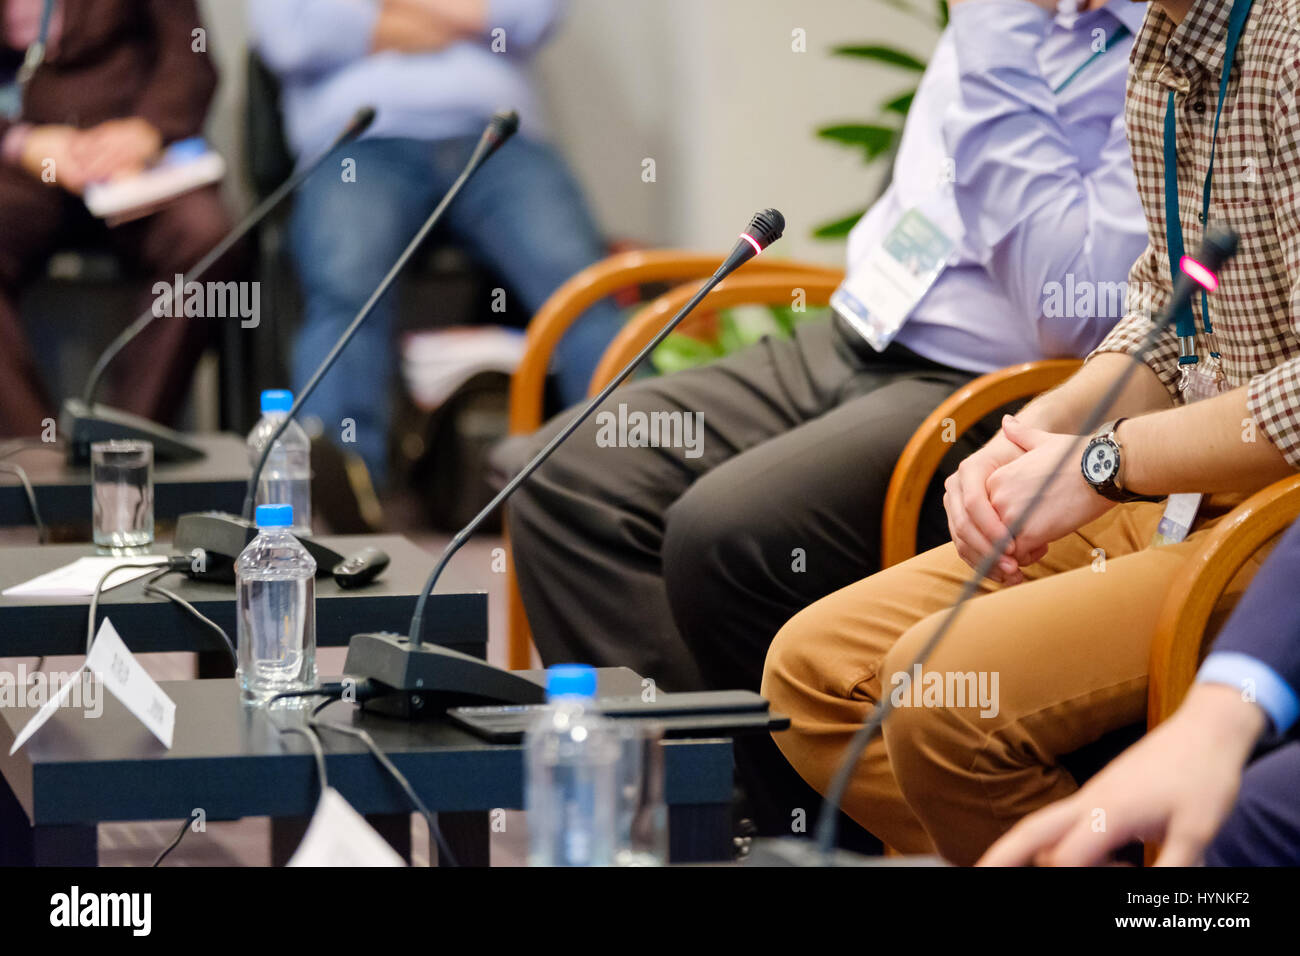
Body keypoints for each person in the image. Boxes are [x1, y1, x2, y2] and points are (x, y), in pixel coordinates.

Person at [502, 0, 1147, 836]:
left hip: (991, 386)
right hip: (860, 331)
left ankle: (787, 837)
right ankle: (697, 819)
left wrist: (996, 26)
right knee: (565, 475)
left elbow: (1078, 300)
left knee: (730, 532)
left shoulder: (1154, 44)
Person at [763, 0, 1300, 865]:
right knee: (813, 675)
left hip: (1276, 521)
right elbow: (1163, 319)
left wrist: (1103, 459)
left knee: (943, 694)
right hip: (1170, 477)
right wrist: (1045, 426)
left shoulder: (1284, 44)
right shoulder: (1165, 42)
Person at [249, 0, 625, 486]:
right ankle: (343, 491)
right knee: (346, 284)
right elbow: (290, 37)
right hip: (363, 142)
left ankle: (626, 476)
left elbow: (534, 15)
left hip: (498, 137)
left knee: (583, 287)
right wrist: (465, 15)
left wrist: (379, 18)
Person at [981, 513, 1300, 866]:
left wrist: (1107, 465)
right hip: (1146, 507)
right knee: (918, 677)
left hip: (1231, 518)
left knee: (961, 705)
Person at [0, 0, 234, 436]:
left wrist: (147, 131)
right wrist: (21, 141)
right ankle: (37, 463)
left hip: (134, 160)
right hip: (27, 159)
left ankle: (123, 449)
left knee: (206, 235)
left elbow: (190, 55)